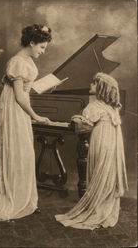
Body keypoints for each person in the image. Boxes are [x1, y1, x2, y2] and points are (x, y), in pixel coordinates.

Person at [0, 24, 52, 222]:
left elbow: (18, 89)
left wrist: (35, 88)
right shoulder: (18, 61)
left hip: (16, 109)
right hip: (14, 111)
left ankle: (23, 197)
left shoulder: (24, 60)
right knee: (17, 151)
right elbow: (19, 97)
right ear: (32, 42)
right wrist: (35, 116)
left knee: (23, 152)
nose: (42, 52)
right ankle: (13, 197)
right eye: (41, 47)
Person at [55, 72, 128, 230]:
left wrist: (76, 118)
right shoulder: (111, 107)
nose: (90, 86)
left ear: (100, 87)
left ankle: (96, 207)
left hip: (101, 140)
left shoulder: (94, 105)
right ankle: (106, 206)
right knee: (108, 172)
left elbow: (83, 124)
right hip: (114, 143)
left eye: (94, 84)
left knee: (98, 170)